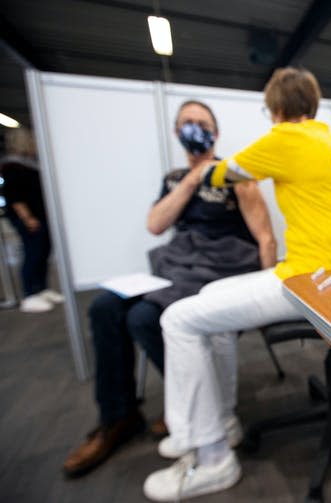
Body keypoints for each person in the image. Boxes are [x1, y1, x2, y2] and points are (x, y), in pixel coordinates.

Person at [143, 68, 331, 501]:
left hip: (310, 280)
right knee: (210, 302)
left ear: (277, 110)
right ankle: (221, 420)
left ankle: (211, 459)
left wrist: (201, 168)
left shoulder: (286, 138)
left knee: (177, 319)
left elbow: (220, 175)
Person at [62, 100, 277, 478]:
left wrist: (265, 299)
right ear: (177, 132)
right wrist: (192, 179)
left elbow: (264, 237)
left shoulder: (236, 175)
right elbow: (156, 224)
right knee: (103, 309)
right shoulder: (175, 178)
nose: (195, 129)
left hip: (219, 269)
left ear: (216, 132)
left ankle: (196, 407)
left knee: (144, 318)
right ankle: (118, 416)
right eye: (187, 123)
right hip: (177, 267)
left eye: (202, 123)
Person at [1, 127, 64, 312]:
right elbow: (15, 197)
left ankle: (42, 288)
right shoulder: (13, 167)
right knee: (32, 253)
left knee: (43, 252)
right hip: (30, 218)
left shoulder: (31, 164)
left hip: (41, 216)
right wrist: (27, 218)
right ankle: (29, 294)